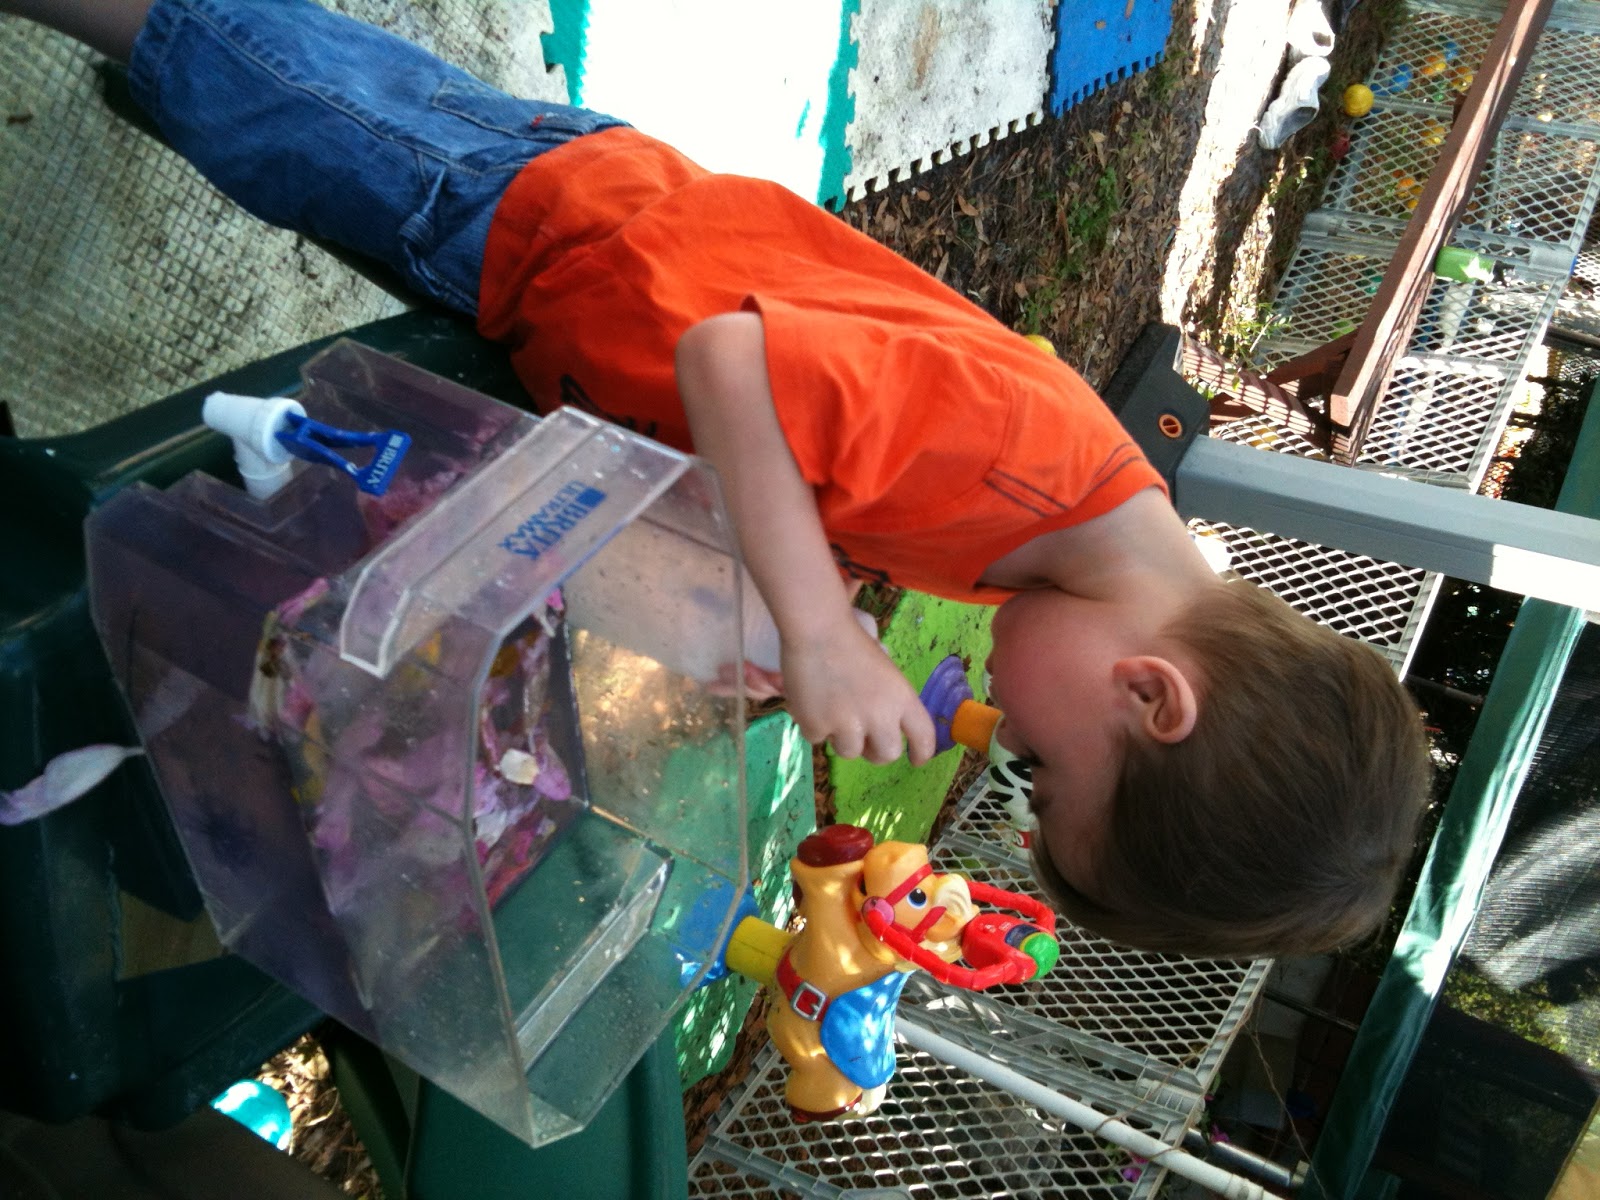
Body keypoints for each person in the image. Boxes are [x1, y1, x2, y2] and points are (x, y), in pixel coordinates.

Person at [3, 0, 1432, 958]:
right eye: (1042, 769)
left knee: (277, 143)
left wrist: (785, 603)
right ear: (1151, 695)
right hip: (545, 223)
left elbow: (824, 470)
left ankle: (168, 73)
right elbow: (730, 363)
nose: (1004, 744)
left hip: (547, 315)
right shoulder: (1023, 460)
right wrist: (815, 628)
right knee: (268, 87)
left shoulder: (1057, 556)